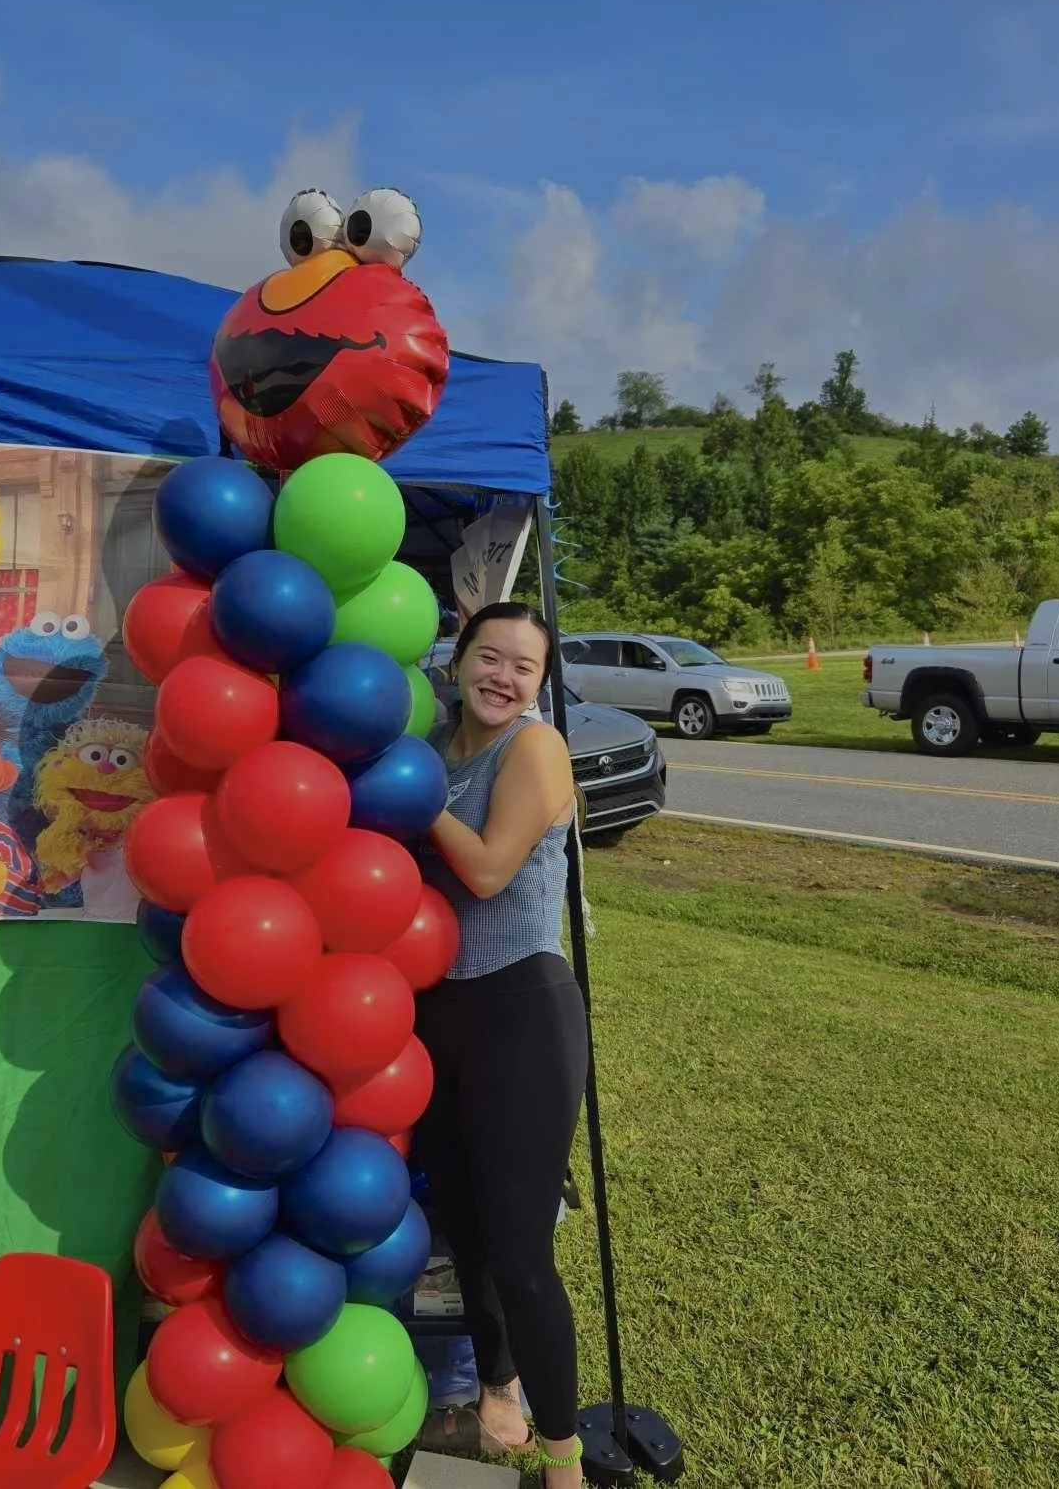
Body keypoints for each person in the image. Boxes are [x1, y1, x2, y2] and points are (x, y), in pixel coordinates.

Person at [411, 601, 588, 1488]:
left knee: (521, 1255)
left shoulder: (535, 747)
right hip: (438, 1014)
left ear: (539, 680)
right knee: (469, 1236)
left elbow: (484, 870)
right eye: (490, 656)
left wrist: (408, 788)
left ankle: (564, 1462)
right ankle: (497, 1394)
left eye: (524, 666)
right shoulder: (438, 744)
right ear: (458, 659)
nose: (503, 677)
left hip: (522, 1007)